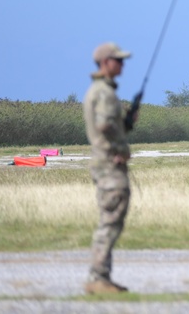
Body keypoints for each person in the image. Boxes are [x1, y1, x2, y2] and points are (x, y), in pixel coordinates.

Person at [82, 42, 136, 294]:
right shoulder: (103, 92)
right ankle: (98, 277)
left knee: (110, 219)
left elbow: (109, 125)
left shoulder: (100, 90)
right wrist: (120, 148)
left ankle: (102, 276)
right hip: (109, 165)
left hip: (103, 163)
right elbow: (104, 125)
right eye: (118, 60)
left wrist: (126, 124)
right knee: (111, 221)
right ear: (106, 62)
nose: (122, 65)